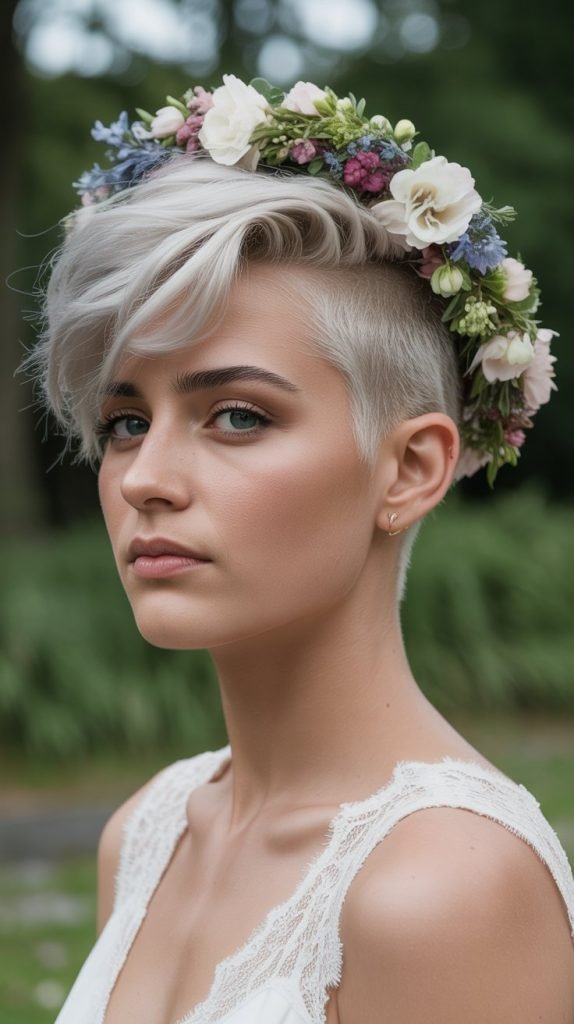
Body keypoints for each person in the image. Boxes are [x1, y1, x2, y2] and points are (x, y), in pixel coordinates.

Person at [31, 76, 573, 1023]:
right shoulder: (149, 831)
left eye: (236, 415)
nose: (144, 477)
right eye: (124, 420)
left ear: (409, 469)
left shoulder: (445, 892)